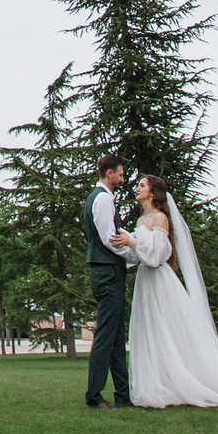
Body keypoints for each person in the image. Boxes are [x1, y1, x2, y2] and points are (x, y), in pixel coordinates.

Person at [123, 173, 218, 408]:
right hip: (144, 281)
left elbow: (158, 256)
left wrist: (132, 242)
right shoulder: (141, 222)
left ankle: (185, 380)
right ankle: (158, 382)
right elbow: (140, 256)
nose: (136, 189)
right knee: (149, 328)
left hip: (159, 280)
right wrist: (126, 246)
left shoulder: (160, 219)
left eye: (141, 185)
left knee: (167, 327)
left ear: (152, 192)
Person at [83, 152, 136, 407]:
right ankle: (93, 397)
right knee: (106, 335)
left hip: (106, 271)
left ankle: (123, 396)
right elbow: (110, 239)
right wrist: (136, 256)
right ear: (110, 173)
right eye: (121, 174)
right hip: (108, 272)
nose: (123, 179)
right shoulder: (103, 199)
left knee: (116, 337)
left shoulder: (97, 198)